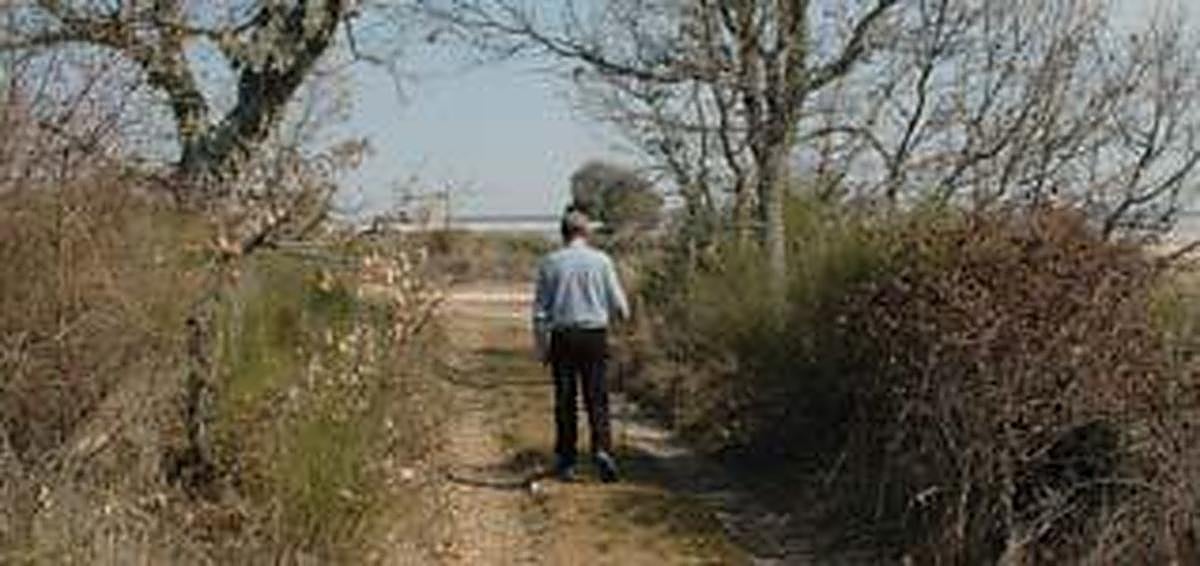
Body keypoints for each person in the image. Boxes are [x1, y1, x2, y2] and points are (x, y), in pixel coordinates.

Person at [533, 209, 630, 482]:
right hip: (594, 335)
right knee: (597, 397)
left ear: (562, 232)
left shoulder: (550, 263)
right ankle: (602, 449)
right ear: (586, 233)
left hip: (563, 336)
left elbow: (540, 312)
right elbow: (621, 307)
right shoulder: (602, 261)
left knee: (565, 400)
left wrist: (542, 347)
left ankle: (567, 460)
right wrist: (621, 325)